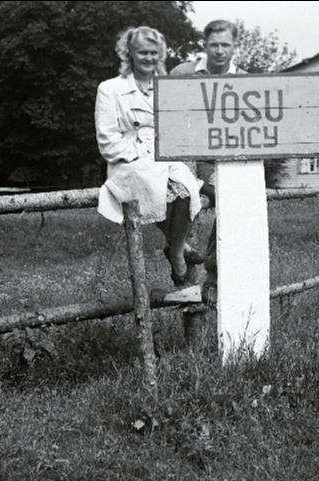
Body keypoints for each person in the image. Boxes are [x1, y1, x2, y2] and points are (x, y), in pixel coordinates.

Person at [95, 26, 203, 286]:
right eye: (142, 52)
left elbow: (179, 126)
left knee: (187, 190)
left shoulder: (165, 88)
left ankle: (175, 248)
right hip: (128, 160)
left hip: (163, 154)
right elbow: (107, 139)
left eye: (154, 53)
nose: (148, 58)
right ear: (129, 53)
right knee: (153, 187)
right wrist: (136, 156)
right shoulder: (110, 89)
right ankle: (180, 256)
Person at [170, 19, 246, 304]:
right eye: (214, 44)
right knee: (187, 195)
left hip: (226, 158)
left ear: (234, 46)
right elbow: (168, 116)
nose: (219, 51)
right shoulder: (182, 73)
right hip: (189, 155)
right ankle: (178, 250)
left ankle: (213, 276)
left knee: (234, 200)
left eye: (225, 45)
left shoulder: (245, 79)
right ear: (205, 45)